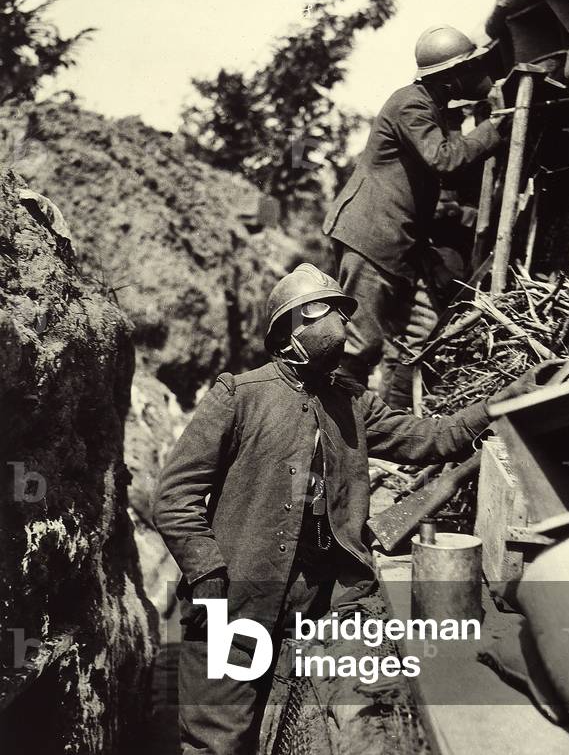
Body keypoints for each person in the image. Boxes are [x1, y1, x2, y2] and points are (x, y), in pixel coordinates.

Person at [153, 262, 540, 755]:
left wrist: (497, 405)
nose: (333, 323)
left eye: (339, 311)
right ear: (285, 330)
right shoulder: (238, 396)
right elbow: (174, 496)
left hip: (316, 605)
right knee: (216, 741)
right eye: (317, 312)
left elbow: (433, 438)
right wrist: (208, 575)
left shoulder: (353, 404)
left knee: (290, 729)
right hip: (235, 602)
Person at [322, 24, 504, 395]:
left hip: (396, 245)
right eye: (470, 68)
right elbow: (445, 159)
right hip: (371, 237)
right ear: (451, 80)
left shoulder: (430, 107)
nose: (479, 74)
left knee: (419, 338)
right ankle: (333, 436)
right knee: (361, 346)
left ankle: (392, 428)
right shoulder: (412, 103)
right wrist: (497, 125)